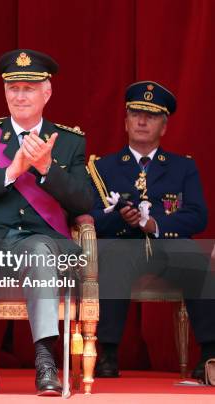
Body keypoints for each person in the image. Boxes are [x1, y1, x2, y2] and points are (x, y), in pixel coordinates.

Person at [0, 49, 93, 395]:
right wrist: (10, 172)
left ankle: (45, 362)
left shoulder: (70, 142)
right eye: (13, 88)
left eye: (30, 87)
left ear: (47, 92)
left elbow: (85, 202)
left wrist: (47, 169)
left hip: (42, 239)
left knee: (40, 254)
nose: (20, 95)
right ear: (5, 92)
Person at [87, 81, 215, 381]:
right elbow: (90, 218)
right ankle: (107, 353)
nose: (142, 121)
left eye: (152, 115)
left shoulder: (182, 167)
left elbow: (198, 216)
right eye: (135, 114)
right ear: (126, 121)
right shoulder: (102, 167)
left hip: (168, 243)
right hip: (122, 242)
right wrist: (124, 219)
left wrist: (155, 224)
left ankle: (209, 353)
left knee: (198, 262)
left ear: (164, 126)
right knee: (112, 261)